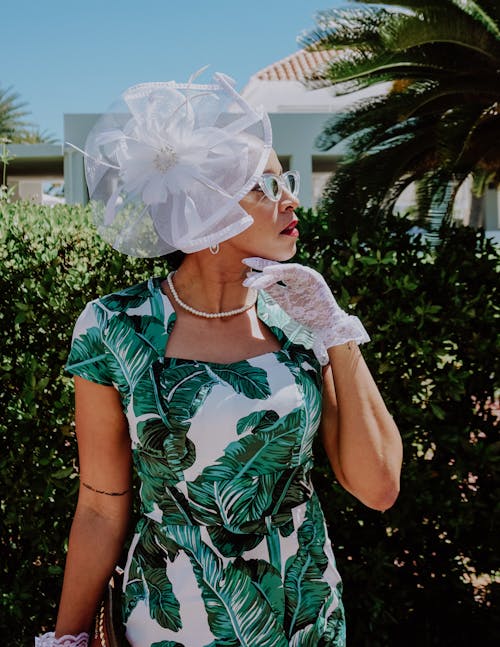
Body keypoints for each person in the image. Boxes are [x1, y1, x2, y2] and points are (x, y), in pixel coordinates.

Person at [36, 71, 402, 647]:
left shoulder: (303, 319)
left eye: (286, 180)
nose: (291, 198)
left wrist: (336, 333)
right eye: (265, 185)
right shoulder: (114, 326)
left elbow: (378, 487)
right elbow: (102, 507)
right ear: (205, 211)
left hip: (303, 620)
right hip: (171, 623)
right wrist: (68, 639)